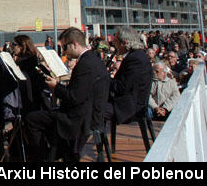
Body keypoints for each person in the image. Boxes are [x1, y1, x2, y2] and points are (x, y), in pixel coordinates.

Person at [24, 27, 107, 161]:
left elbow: (73, 97)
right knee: (47, 115)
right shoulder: (94, 59)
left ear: (74, 44)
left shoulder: (85, 64)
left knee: (31, 119)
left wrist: (56, 87)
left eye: (64, 47)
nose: (63, 52)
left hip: (78, 118)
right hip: (90, 113)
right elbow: (80, 91)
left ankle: (44, 157)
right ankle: (59, 151)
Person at [107, 26, 153, 125]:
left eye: (115, 41)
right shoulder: (137, 56)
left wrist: (104, 79)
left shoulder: (135, 59)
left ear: (124, 43)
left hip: (129, 107)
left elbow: (121, 87)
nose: (113, 43)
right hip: (130, 103)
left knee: (91, 109)